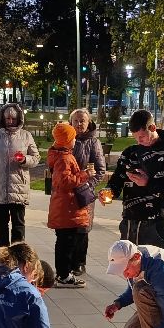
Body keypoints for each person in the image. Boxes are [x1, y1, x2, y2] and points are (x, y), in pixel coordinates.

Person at [107, 109, 164, 248]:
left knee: (155, 268)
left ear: (152, 128)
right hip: (129, 222)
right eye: (135, 138)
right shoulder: (130, 153)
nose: (139, 141)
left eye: (142, 137)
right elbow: (116, 180)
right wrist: (108, 192)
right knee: (128, 269)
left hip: (156, 224)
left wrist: (149, 183)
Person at [0, 103, 40, 247]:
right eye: (7, 119)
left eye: (13, 118)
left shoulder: (26, 135)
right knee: (0, 227)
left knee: (18, 226)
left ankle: (18, 256)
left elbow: (36, 157)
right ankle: (3, 256)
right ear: (2, 118)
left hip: (18, 188)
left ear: (19, 118)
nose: (10, 121)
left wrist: (25, 160)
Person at [47, 122, 95, 287]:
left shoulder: (63, 155)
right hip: (67, 208)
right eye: (73, 137)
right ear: (67, 140)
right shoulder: (64, 158)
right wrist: (84, 175)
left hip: (65, 207)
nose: (75, 140)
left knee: (65, 242)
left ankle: (63, 274)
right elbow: (65, 182)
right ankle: (64, 275)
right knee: (66, 243)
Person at [69, 108, 106, 276]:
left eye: (82, 121)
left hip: (84, 193)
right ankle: (67, 262)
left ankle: (79, 263)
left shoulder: (93, 142)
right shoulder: (66, 140)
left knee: (82, 230)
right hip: (67, 192)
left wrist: (87, 185)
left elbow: (100, 170)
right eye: (75, 121)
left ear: (88, 122)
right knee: (67, 228)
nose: (79, 124)